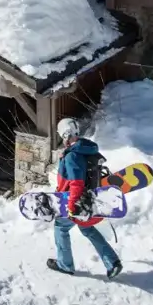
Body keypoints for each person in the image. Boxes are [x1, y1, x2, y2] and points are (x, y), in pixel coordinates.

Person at [47, 117, 123, 279]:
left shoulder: (72, 156)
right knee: (87, 228)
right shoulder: (86, 148)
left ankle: (65, 265)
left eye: (62, 135)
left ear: (65, 134)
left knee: (61, 227)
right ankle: (112, 262)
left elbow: (76, 183)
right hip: (89, 200)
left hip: (76, 201)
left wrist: (73, 205)